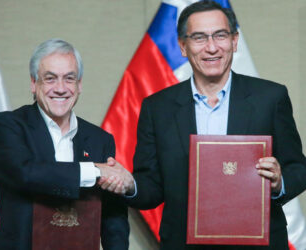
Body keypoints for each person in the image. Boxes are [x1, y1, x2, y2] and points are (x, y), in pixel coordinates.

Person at [102, 1, 306, 249]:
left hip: (258, 243)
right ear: (183, 46)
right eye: (199, 37)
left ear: (234, 40)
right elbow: (152, 187)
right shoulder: (158, 108)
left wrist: (279, 182)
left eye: (220, 35)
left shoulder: (270, 98)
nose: (211, 47)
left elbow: (298, 168)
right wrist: (130, 184)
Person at [0, 39, 129, 250]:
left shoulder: (100, 139)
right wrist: (95, 171)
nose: (61, 88)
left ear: (79, 84)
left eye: (69, 78)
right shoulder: (8, 125)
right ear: (34, 84)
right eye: (50, 79)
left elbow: (112, 217)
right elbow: (25, 173)